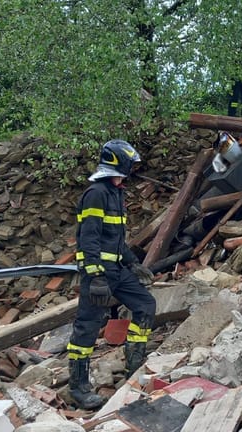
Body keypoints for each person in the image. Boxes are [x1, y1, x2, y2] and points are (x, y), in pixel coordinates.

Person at [68, 140, 156, 409]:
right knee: (88, 326)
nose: (134, 168)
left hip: (117, 271)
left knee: (145, 304)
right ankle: (79, 388)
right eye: (131, 163)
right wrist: (94, 275)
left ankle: (134, 364)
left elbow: (115, 240)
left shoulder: (116, 193)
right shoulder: (96, 193)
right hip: (100, 274)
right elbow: (88, 237)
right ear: (119, 163)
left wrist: (132, 262)